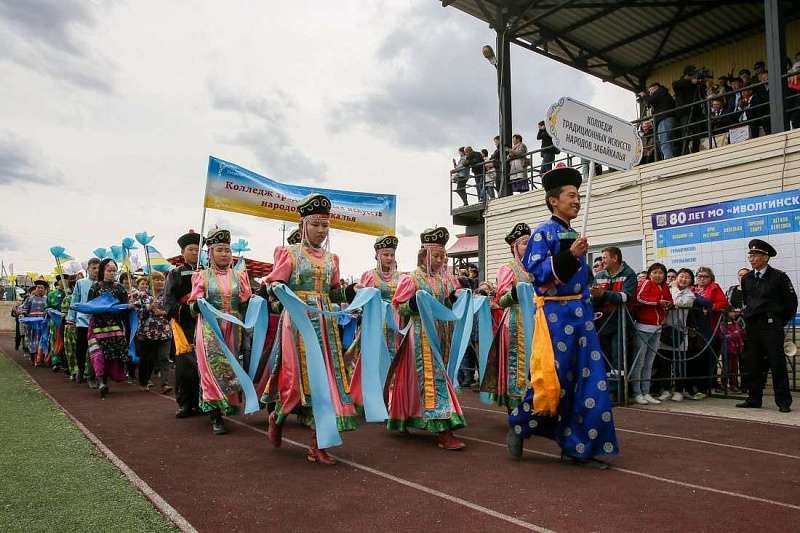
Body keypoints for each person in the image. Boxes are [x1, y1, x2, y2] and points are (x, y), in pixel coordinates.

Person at [508, 166, 619, 468]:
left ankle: (577, 446)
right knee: (553, 380)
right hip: (555, 315)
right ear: (553, 201)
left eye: (579, 196)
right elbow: (538, 275)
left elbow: (582, 277)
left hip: (581, 314)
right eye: (571, 195)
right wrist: (570, 255)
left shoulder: (576, 235)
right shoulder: (543, 232)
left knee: (588, 380)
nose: (577, 201)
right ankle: (520, 423)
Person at [264, 193, 360, 465]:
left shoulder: (333, 259)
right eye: (315, 224)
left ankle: (317, 445)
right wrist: (277, 289)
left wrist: (352, 291)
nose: (320, 230)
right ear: (302, 224)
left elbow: (333, 292)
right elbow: (272, 287)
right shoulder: (288, 253)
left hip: (326, 325)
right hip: (297, 323)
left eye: (325, 225)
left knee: (326, 380)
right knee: (297, 381)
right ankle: (278, 416)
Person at [386, 227, 466, 450]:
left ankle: (405, 416)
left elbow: (449, 306)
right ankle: (443, 428)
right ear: (424, 255)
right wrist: (414, 303)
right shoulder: (411, 279)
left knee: (416, 376)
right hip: (420, 334)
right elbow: (399, 307)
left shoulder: (446, 280)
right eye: (436, 256)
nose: (440, 261)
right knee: (432, 376)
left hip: (442, 333)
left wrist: (459, 299)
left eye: (443, 256)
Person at [188, 227, 252, 435]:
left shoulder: (240, 276)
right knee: (211, 368)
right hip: (209, 326)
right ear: (210, 252)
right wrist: (198, 304)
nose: (224, 254)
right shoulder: (201, 276)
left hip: (233, 327)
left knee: (229, 368)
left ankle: (225, 407)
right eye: (220, 250)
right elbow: (191, 308)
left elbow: (246, 302)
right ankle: (215, 415)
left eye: (227, 250)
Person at [738, 239, 797, 413]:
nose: (752, 258)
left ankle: (783, 401)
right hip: (753, 326)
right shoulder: (747, 278)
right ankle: (754, 398)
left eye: (756, 255)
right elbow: (747, 301)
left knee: (776, 363)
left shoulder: (779, 277)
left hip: (771, 325)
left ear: (766, 257)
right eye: (750, 255)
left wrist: (778, 321)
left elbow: (791, 304)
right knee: (753, 364)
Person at [482, 222, 532, 409]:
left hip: (535, 320)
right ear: (515, 247)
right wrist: (515, 294)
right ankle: (516, 405)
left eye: (530, 242)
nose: (528, 246)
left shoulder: (536, 267)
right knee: (516, 364)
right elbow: (501, 300)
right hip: (515, 320)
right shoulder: (508, 268)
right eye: (524, 243)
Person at [164, 230, 202, 418]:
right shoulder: (175, 273)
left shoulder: (207, 271)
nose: (195, 252)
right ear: (183, 252)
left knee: (204, 366)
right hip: (184, 325)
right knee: (185, 367)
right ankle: (185, 403)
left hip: (205, 323)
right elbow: (169, 302)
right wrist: (189, 310)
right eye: (191, 249)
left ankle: (205, 402)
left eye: (198, 249)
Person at [591, 247, 636, 384]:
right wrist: (596, 296)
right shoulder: (599, 276)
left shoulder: (629, 274)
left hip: (621, 323)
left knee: (618, 357)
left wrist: (603, 294)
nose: (602, 261)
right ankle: (605, 389)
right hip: (602, 323)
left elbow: (625, 297)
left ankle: (619, 391)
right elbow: (594, 299)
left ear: (615, 258)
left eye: (604, 257)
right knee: (604, 357)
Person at [630, 263, 673, 405]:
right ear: (650, 273)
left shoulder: (665, 286)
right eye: (655, 272)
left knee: (649, 362)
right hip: (643, 327)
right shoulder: (646, 283)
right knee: (640, 361)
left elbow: (670, 300)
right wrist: (657, 302)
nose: (658, 275)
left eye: (661, 273)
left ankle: (646, 391)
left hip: (657, 328)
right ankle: (637, 392)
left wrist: (668, 304)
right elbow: (640, 298)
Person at [87, 259, 130, 398]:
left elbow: (125, 308)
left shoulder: (120, 289)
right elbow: (89, 306)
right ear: (102, 272)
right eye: (109, 270)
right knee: (98, 354)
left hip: (115, 327)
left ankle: (105, 380)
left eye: (114, 271)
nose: (112, 273)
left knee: (111, 356)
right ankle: (100, 381)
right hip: (97, 327)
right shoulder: (95, 288)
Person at [688, 266, 728, 399]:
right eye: (699, 276)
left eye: (705, 276)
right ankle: (694, 387)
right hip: (694, 329)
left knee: (709, 359)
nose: (701, 278)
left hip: (711, 328)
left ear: (711, 278)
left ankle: (706, 387)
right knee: (695, 359)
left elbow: (723, 304)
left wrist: (710, 307)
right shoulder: (692, 289)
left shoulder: (714, 288)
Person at [130, 273, 173, 394]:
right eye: (156, 280)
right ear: (150, 282)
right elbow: (137, 313)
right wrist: (148, 308)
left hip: (165, 332)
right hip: (148, 333)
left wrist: (163, 312)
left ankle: (165, 383)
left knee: (164, 357)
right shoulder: (142, 295)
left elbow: (172, 311)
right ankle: (144, 381)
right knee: (148, 359)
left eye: (162, 280)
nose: (160, 282)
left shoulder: (168, 296)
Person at [658, 268, 696, 402]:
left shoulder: (690, 295)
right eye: (681, 276)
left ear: (691, 281)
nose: (683, 279)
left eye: (687, 277)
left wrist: (673, 288)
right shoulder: (666, 288)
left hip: (680, 331)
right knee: (665, 362)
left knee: (680, 363)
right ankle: (666, 389)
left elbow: (676, 302)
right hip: (665, 329)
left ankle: (680, 390)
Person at [67, 257, 100, 387]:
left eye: (98, 268)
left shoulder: (102, 283)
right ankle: (80, 370)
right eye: (94, 268)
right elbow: (74, 300)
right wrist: (71, 318)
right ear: (88, 269)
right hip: (82, 321)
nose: (96, 271)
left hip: (98, 321)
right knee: (81, 348)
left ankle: (93, 375)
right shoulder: (81, 283)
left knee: (96, 349)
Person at [638, 82, 676, 160]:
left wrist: (644, 95)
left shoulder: (660, 92)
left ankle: (668, 158)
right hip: (667, 118)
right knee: (666, 139)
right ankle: (669, 156)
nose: (650, 93)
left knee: (664, 139)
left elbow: (649, 101)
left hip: (664, 119)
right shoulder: (664, 94)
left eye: (651, 91)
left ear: (656, 87)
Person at [19, 280, 49, 366]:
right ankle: (34, 359)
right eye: (38, 288)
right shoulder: (30, 299)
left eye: (42, 288)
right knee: (32, 341)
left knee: (42, 340)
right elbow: (24, 310)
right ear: (35, 289)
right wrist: (27, 317)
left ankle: (42, 359)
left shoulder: (47, 299)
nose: (40, 289)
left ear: (45, 289)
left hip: (43, 324)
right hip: (32, 325)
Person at [719, 307, 745, 393]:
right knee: (727, 367)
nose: (734, 314)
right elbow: (724, 335)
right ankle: (724, 384)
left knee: (734, 367)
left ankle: (733, 384)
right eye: (731, 312)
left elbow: (740, 333)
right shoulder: (723, 323)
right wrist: (734, 334)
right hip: (727, 348)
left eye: (734, 312)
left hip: (735, 348)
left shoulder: (736, 323)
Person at [46, 275, 68, 372]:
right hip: (55, 321)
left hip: (67, 321)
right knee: (54, 340)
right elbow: (46, 307)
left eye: (66, 281)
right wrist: (52, 312)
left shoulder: (70, 294)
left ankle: (65, 362)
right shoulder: (52, 294)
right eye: (62, 281)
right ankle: (55, 362)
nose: (64, 283)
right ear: (58, 282)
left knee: (65, 341)